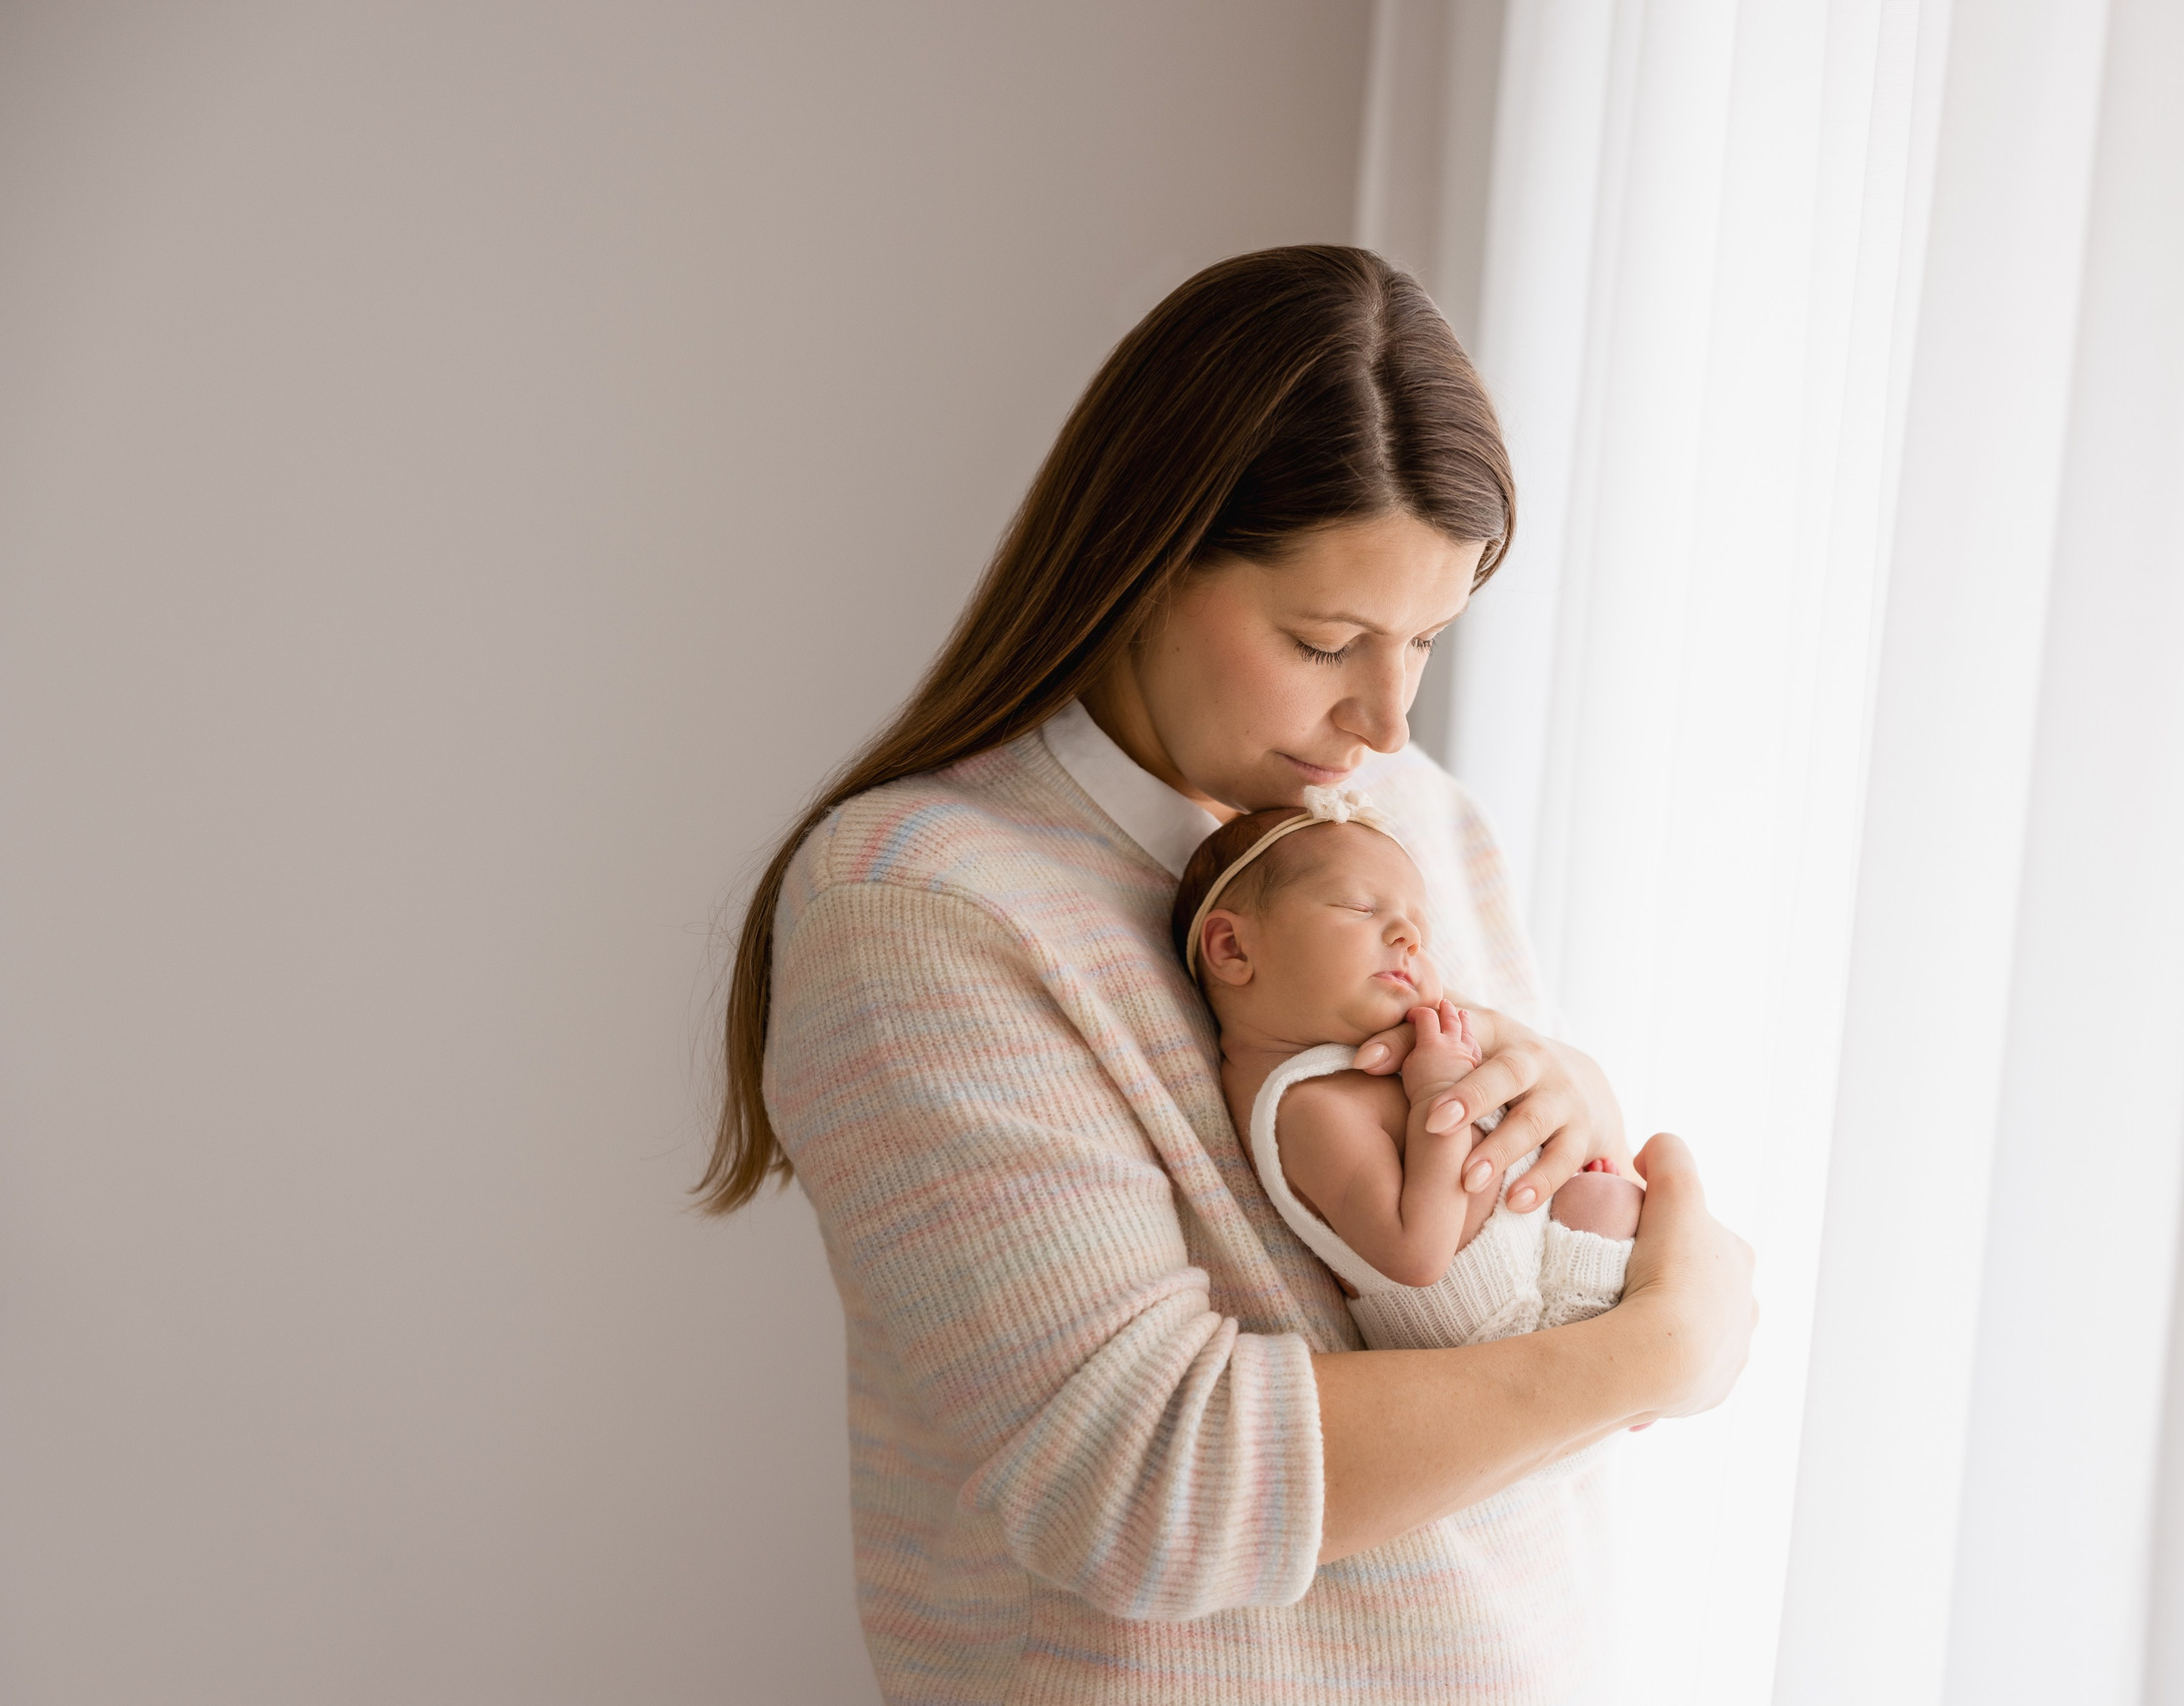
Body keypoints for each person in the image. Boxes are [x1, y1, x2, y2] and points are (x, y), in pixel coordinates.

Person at [704, 245, 1757, 1704]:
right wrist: (1663, 1353)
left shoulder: (1418, 822)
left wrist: (1564, 1099)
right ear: (1144, 563)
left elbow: (1522, 1289)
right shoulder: (921, 906)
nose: (1384, 718)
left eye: (1427, 643)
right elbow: (1141, 1482)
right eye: (1326, 641)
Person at [1172, 790, 1641, 1348]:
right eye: (1359, 908)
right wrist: (1439, 1092)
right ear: (1232, 949)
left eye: (1422, 932)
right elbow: (1418, 1255)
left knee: (1617, 1202)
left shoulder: (1361, 1058)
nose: (1410, 939)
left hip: (1543, 1282)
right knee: (1617, 1213)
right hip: (1492, 1337)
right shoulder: (1308, 1108)